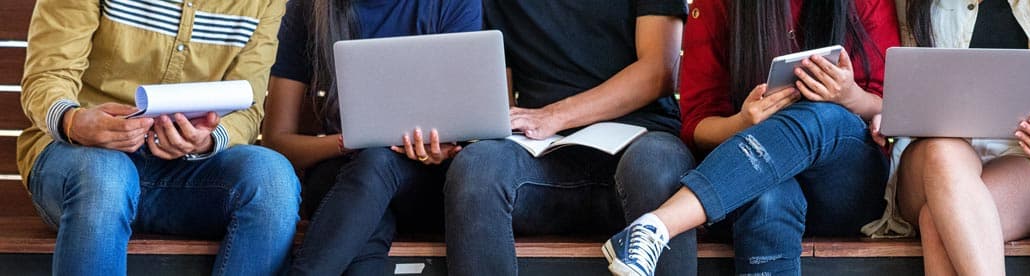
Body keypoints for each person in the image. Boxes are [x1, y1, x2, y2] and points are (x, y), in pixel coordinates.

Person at [603, 0, 900, 275]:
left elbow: (897, 103)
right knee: (768, 196)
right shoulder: (718, 5)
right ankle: (653, 229)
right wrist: (743, 122)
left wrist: (850, 97)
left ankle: (659, 224)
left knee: (826, 116)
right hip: (749, 184)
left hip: (846, 185)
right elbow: (696, 125)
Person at [17, 0, 297, 275]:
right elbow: (48, 77)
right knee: (106, 175)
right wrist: (74, 122)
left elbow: (247, 109)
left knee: (272, 179)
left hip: (184, 177)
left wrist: (206, 140)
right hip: (81, 167)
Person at [441, 0, 695, 275]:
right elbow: (497, 100)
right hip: (543, 157)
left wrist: (555, 115)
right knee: (477, 168)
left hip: (643, 138)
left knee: (655, 166)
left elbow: (660, 71)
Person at [859, 0, 1030, 274]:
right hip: (931, 151)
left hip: (1020, 153)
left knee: (938, 221)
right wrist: (896, 111)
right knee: (943, 155)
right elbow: (904, 78)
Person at [259, 0, 482, 274]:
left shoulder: (452, 4)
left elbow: (466, 122)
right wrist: (348, 142)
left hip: (425, 186)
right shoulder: (308, 9)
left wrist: (444, 146)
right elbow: (277, 140)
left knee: (376, 165)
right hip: (343, 179)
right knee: (371, 185)